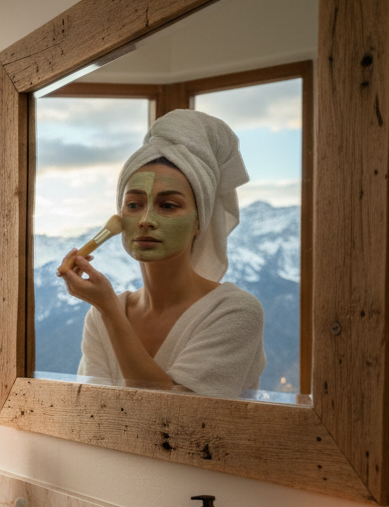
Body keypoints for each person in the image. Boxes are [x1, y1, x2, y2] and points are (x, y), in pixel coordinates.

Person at [58, 109, 266, 398]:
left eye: (168, 205)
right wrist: (106, 308)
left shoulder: (235, 312)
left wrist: (109, 308)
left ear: (199, 223)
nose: (145, 220)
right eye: (133, 205)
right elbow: (94, 410)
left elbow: (174, 420)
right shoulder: (99, 317)